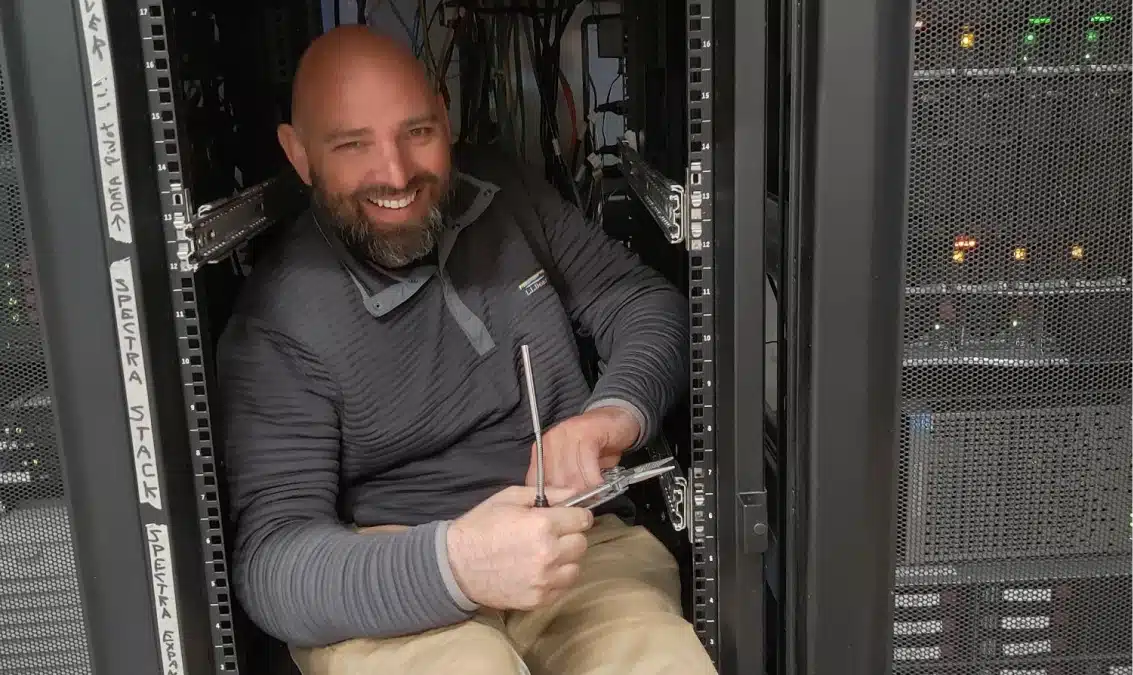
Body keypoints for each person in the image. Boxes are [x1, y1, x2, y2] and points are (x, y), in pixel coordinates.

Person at [217, 25, 715, 675]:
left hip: (571, 535)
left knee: (660, 661)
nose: (395, 174)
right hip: (389, 573)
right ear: (299, 154)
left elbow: (645, 305)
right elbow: (273, 563)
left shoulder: (502, 194)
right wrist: (456, 564)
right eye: (352, 145)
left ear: (446, 119)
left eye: (417, 133)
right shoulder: (279, 319)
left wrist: (612, 415)